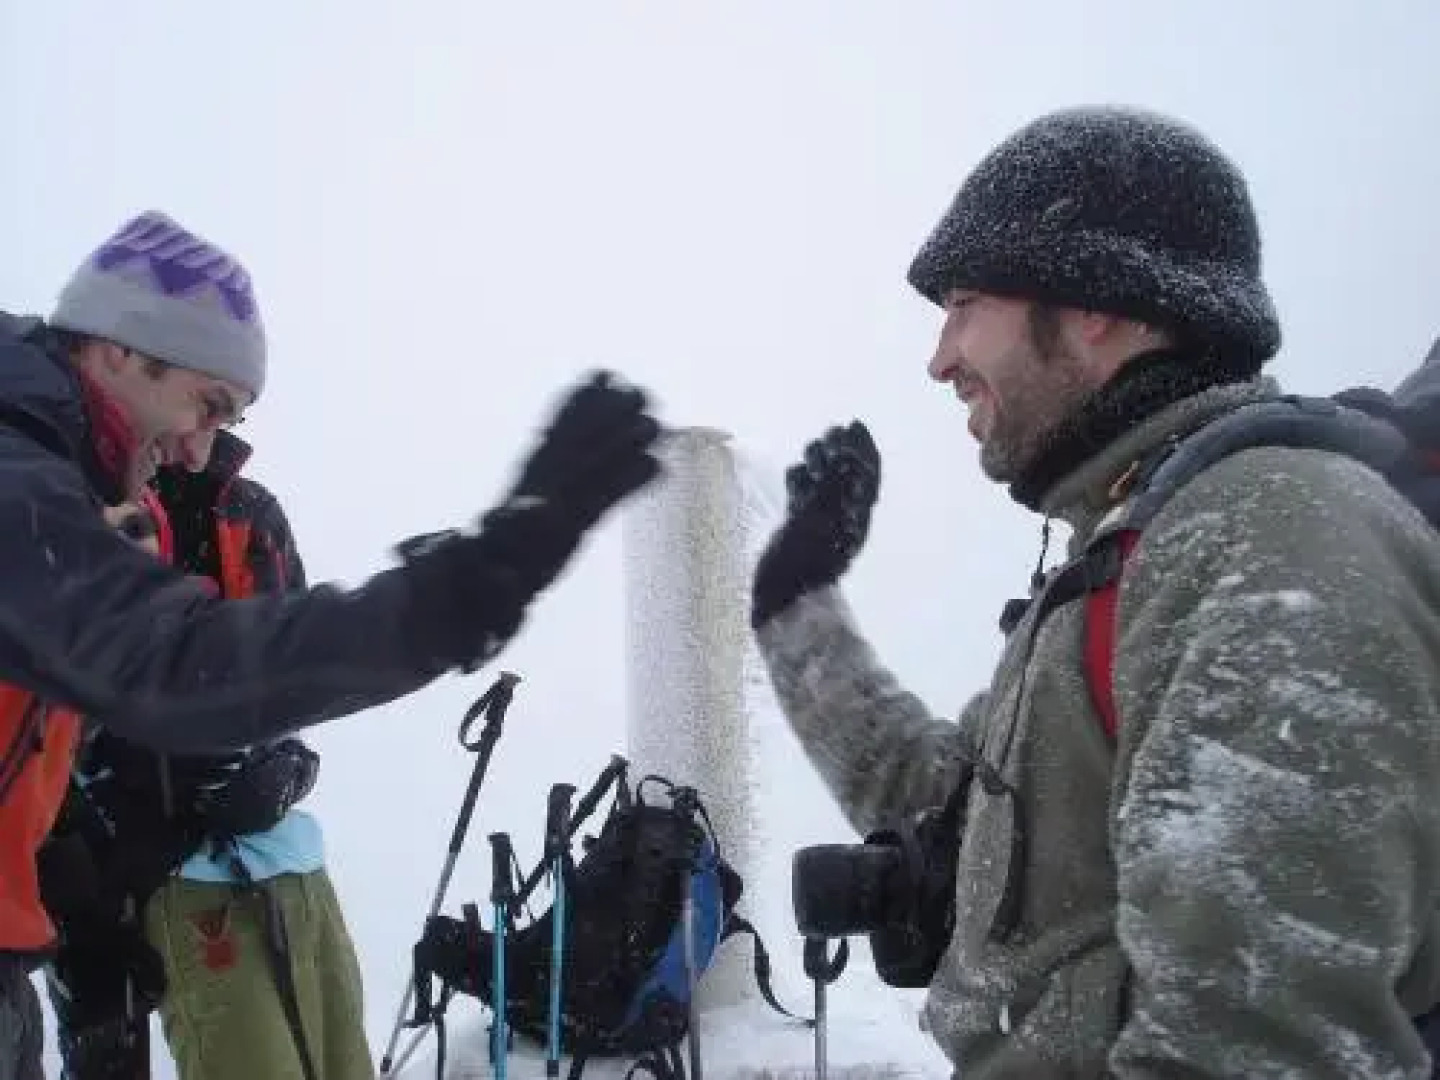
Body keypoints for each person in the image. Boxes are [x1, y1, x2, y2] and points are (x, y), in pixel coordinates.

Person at [750, 105, 1440, 1077]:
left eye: (962, 304)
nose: (940, 357)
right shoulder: (1121, 557)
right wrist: (796, 604)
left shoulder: (1267, 541)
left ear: (1096, 301)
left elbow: (1250, 1050)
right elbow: (945, 807)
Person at [0, 209, 662, 1080]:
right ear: (123, 349)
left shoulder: (90, 496)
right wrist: (467, 587)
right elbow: (171, 665)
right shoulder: (17, 481)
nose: (202, 447)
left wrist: (74, 908)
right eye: (207, 404)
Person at [43, 438, 372, 1080]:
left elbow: (291, 678)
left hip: (260, 856)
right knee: (110, 1052)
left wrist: (286, 765)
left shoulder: (249, 515)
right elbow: (45, 720)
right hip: (119, 861)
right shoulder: (74, 509)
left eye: (228, 408)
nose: (199, 434)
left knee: (330, 1059)